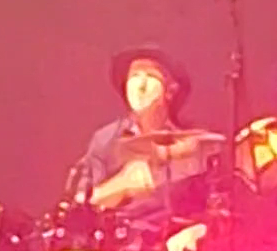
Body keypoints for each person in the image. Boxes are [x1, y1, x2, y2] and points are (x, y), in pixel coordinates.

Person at [69, 45, 196, 213]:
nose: (140, 86)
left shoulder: (191, 143)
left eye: (151, 76)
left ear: (170, 90)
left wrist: (199, 227)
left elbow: (209, 205)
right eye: (134, 76)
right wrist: (122, 184)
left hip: (177, 229)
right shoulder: (105, 140)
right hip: (121, 228)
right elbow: (80, 204)